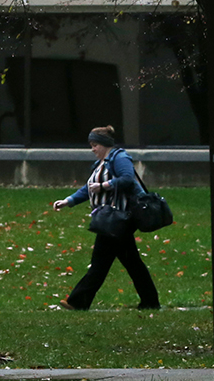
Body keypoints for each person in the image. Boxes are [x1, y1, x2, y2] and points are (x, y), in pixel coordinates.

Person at [52, 125, 160, 311]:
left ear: (104, 144)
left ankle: (78, 302)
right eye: (91, 145)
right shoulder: (102, 163)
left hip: (117, 219)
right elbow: (88, 189)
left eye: (95, 145)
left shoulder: (119, 157)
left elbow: (127, 179)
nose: (93, 149)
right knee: (132, 263)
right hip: (112, 220)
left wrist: (105, 185)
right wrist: (68, 201)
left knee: (100, 264)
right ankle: (150, 302)